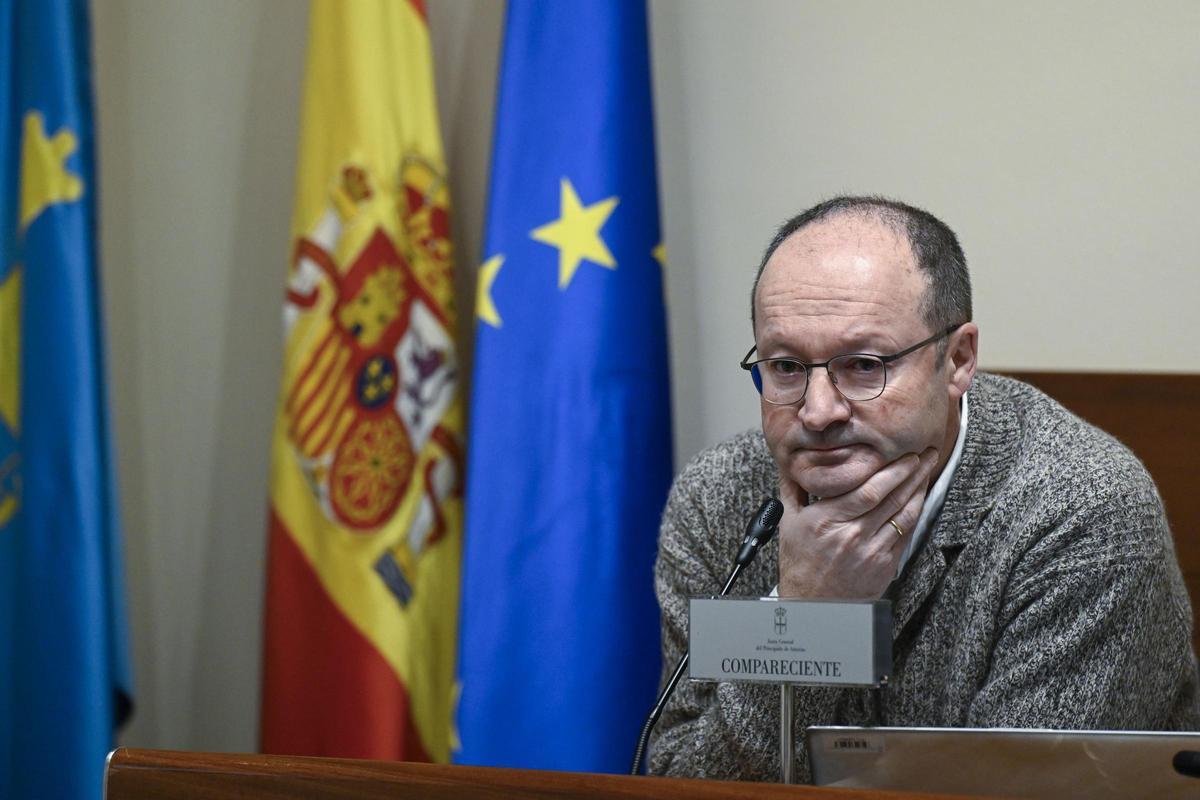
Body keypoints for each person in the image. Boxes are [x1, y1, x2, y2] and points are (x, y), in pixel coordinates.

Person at [647, 196, 1200, 782]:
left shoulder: (1082, 510)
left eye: (863, 365)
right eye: (785, 367)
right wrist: (804, 612)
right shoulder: (718, 497)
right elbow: (680, 778)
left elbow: (1019, 794)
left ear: (958, 359)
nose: (818, 411)